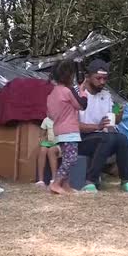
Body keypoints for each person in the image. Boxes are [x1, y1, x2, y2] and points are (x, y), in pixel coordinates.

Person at [78, 59, 128, 193]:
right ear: (87, 77)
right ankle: (90, 181)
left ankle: (125, 181)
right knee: (108, 138)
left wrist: (119, 113)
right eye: (98, 78)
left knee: (121, 138)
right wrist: (97, 127)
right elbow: (74, 125)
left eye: (105, 78)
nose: (102, 82)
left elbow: (114, 120)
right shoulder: (78, 94)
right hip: (81, 139)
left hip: (102, 137)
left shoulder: (106, 95)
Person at [46, 60, 88, 195]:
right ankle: (56, 183)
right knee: (71, 158)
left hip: (59, 130)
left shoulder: (52, 94)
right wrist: (82, 91)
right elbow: (82, 105)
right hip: (70, 130)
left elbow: (50, 115)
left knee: (66, 158)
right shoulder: (67, 91)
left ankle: (66, 185)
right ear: (69, 76)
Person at [35, 117, 61, 188]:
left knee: (51, 150)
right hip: (49, 142)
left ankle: (53, 179)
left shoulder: (62, 118)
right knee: (42, 150)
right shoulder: (46, 120)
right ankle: (40, 181)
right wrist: (42, 141)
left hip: (60, 143)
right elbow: (42, 134)